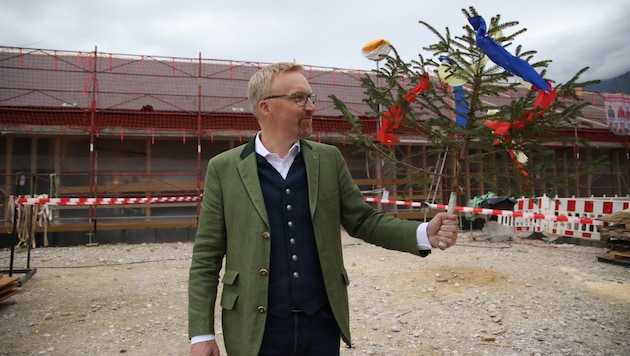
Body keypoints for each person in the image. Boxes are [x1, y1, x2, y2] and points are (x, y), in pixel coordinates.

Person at [188, 62, 459, 356]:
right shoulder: (224, 169)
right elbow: (207, 256)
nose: (312, 107)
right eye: (299, 98)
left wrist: (422, 233)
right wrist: (201, 334)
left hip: (321, 324)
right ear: (266, 107)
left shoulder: (328, 160)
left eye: (310, 96)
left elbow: (364, 220)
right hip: (254, 329)